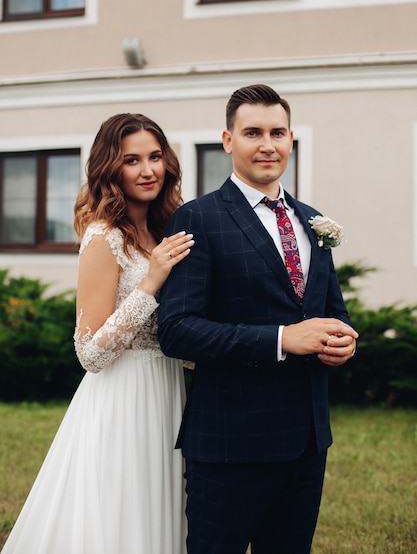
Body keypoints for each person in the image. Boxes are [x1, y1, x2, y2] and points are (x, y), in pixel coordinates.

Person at [158, 84, 359, 554]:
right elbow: (177, 330)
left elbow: (332, 312)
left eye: (277, 132)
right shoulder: (199, 219)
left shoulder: (313, 221)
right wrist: (283, 339)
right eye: (252, 132)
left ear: (291, 139)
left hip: (308, 444)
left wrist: (342, 341)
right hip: (230, 445)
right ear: (228, 140)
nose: (267, 144)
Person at [2, 113, 194, 554]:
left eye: (155, 156)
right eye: (132, 160)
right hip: (121, 398)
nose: (148, 170)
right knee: (119, 517)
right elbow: (90, 352)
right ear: (112, 168)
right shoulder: (103, 238)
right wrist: (153, 280)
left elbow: (176, 329)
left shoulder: (170, 231)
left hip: (170, 394)